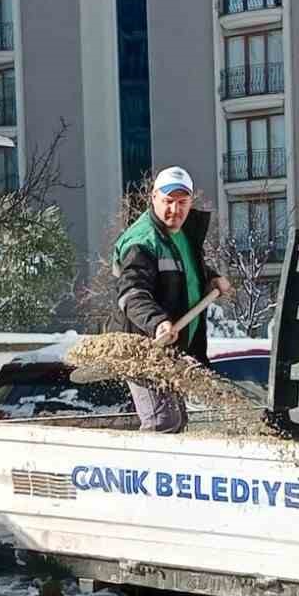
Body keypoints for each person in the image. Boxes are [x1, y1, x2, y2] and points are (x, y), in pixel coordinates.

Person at [112, 166, 232, 432]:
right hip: (145, 349)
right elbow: (132, 292)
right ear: (154, 197)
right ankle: (144, 473)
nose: (174, 210)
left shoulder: (183, 234)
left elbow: (183, 271)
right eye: (167, 202)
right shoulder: (141, 241)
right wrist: (157, 322)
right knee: (163, 422)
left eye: (181, 203)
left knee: (178, 423)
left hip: (174, 351)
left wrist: (210, 278)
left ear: (190, 202)